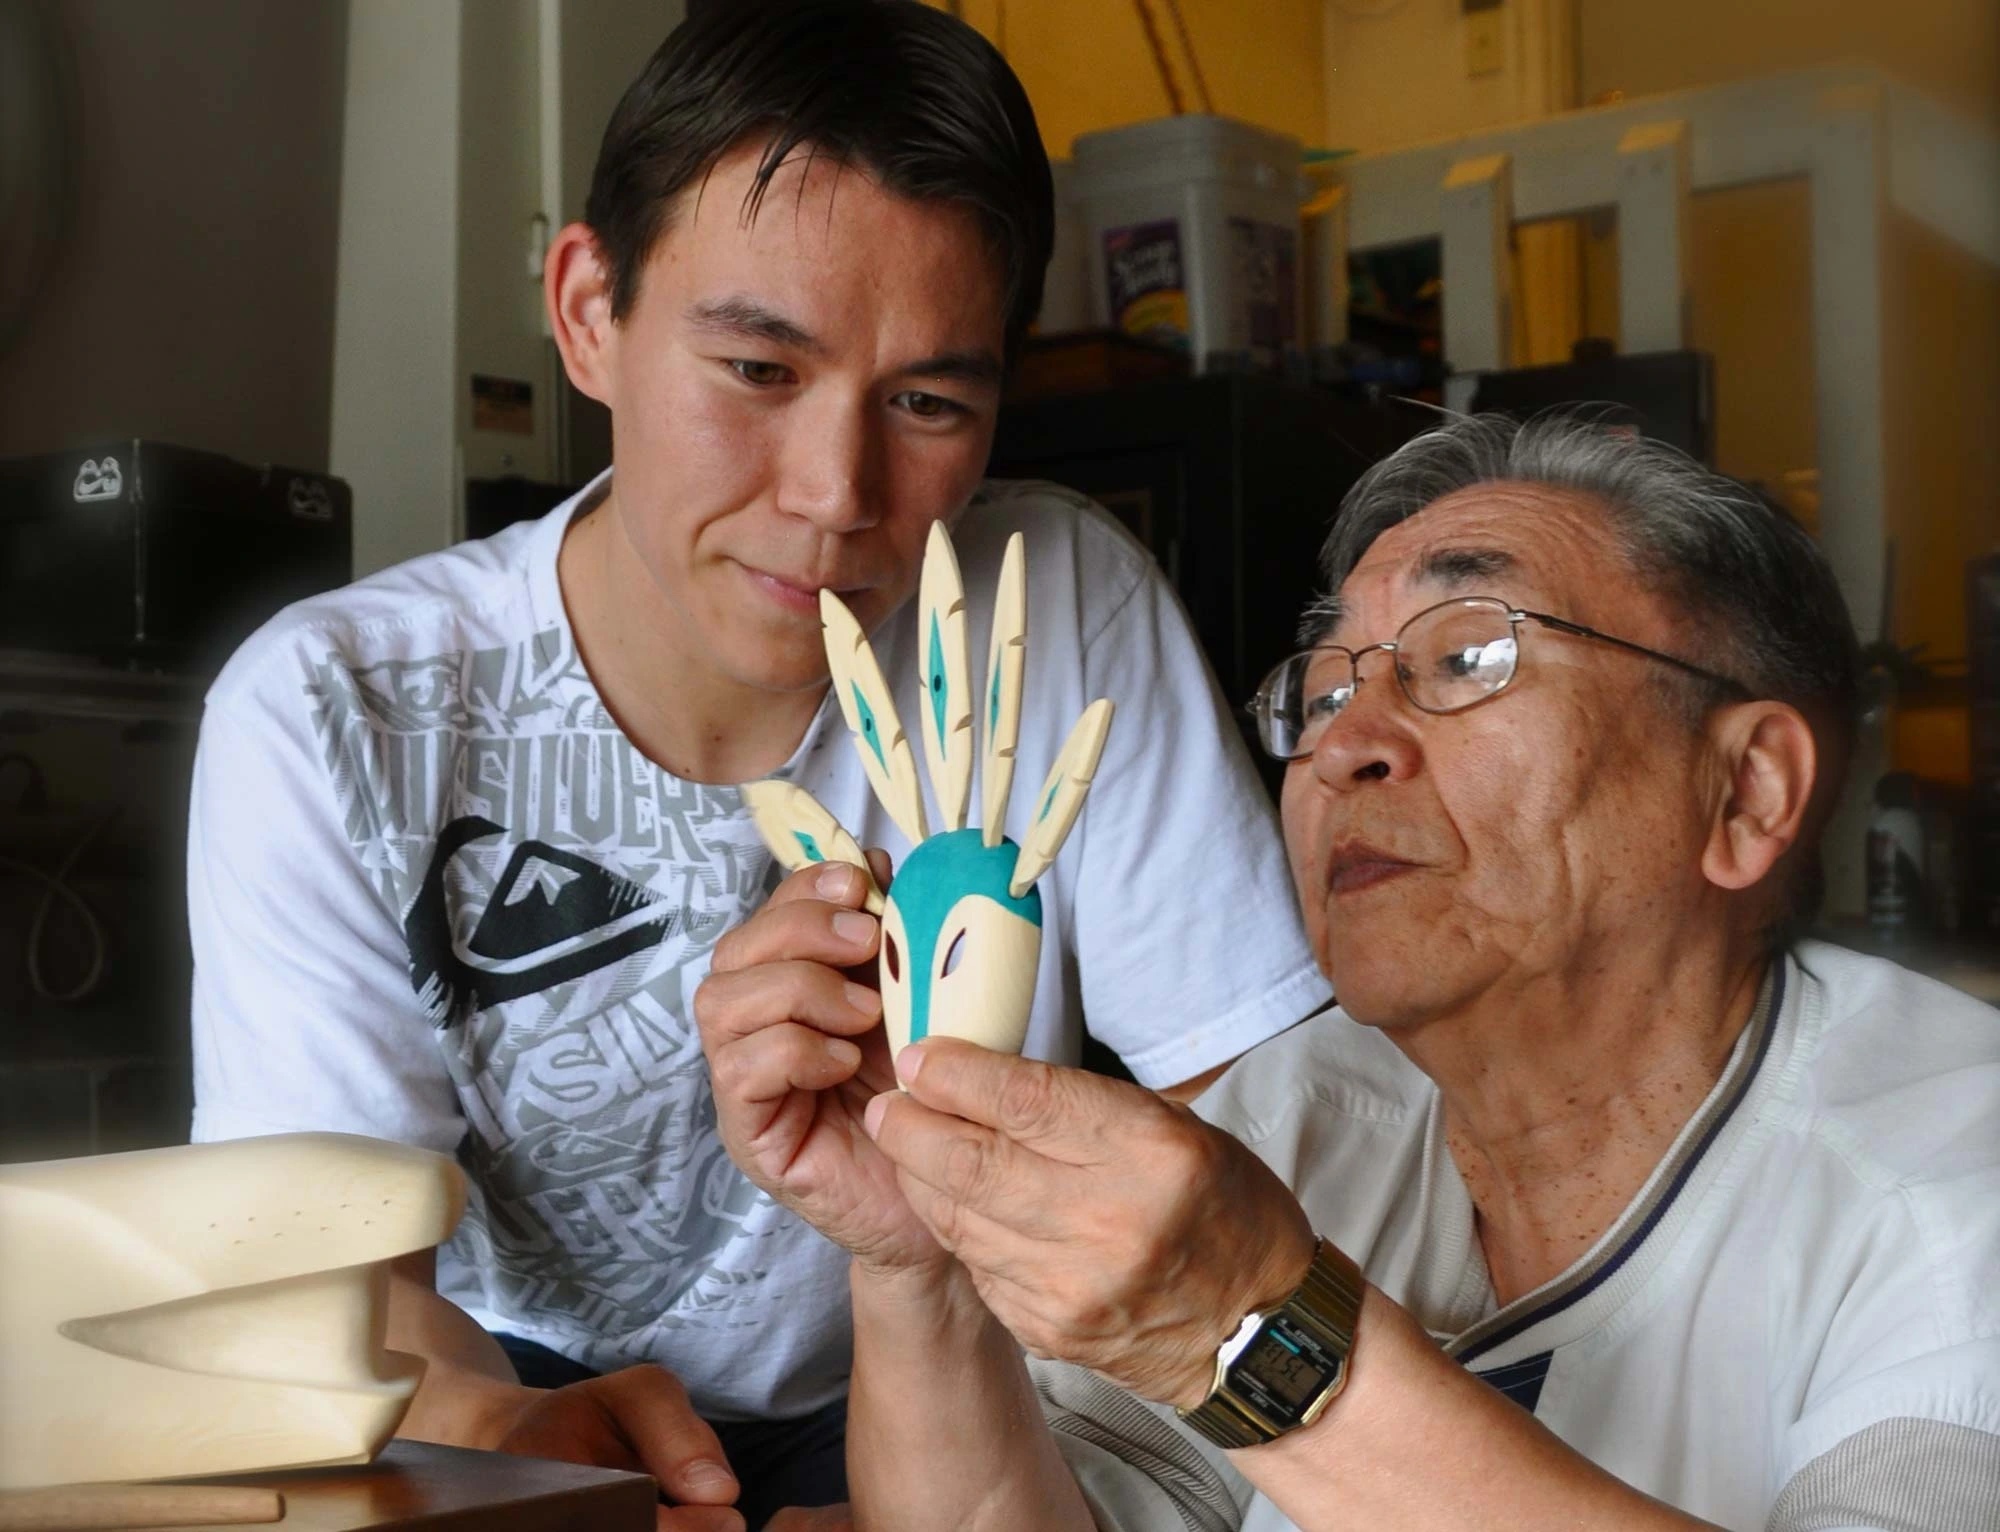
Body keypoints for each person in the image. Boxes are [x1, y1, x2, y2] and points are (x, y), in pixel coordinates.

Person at [184, 4, 1329, 1529]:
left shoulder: (1049, 610)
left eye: (929, 404)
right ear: (590, 309)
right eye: (755, 369)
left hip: (982, 1363)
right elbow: (330, 1291)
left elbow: (1275, 1137)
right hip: (540, 1382)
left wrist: (1008, 1433)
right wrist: (506, 1426)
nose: (834, 494)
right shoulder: (338, 711)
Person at [700, 412, 2000, 1531]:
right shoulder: (1297, 1112)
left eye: (1467, 658)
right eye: (1321, 694)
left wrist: (1262, 1338)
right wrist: (919, 1258)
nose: (1346, 746)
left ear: (1745, 789)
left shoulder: (1958, 1163)